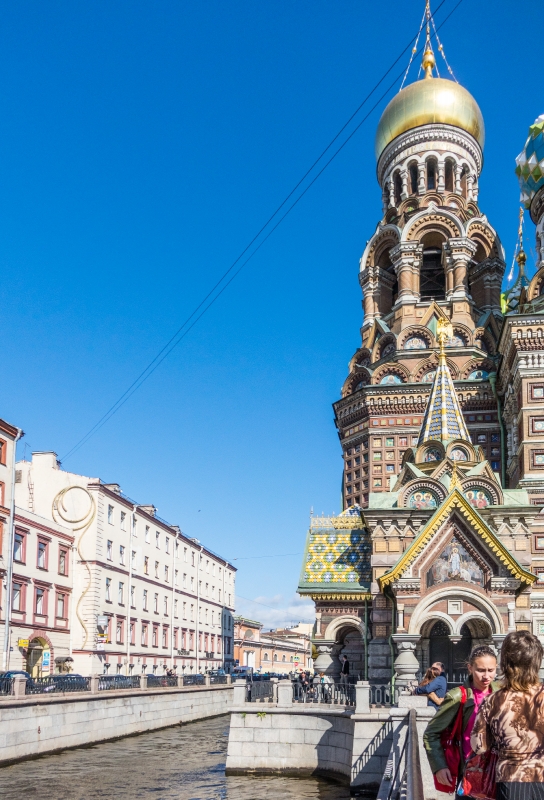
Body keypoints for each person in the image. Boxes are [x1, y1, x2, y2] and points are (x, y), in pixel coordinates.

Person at [471, 631, 544, 800]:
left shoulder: (493, 701)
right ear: (536, 661)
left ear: (505, 662)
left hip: (511, 780)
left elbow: (478, 746)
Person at [424, 645, 499, 791]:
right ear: (470, 668)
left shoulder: (501, 694)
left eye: (491, 670)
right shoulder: (457, 696)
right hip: (469, 775)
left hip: (496, 774)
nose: (486, 676)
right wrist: (439, 766)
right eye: (480, 670)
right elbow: (431, 733)